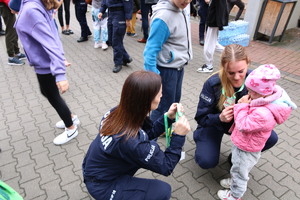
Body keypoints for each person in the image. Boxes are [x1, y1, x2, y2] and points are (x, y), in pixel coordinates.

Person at [82, 71, 190, 200]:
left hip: (96, 169)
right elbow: (166, 166)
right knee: (162, 190)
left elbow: (146, 134)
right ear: (146, 99)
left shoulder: (119, 111)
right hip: (104, 185)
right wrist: (178, 136)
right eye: (159, 92)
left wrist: (168, 117)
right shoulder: (132, 142)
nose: (162, 95)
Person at [193, 44, 279, 169]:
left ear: (248, 64)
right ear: (224, 68)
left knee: (271, 138)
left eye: (241, 71)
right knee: (207, 161)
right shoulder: (213, 84)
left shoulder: (256, 80)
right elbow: (200, 117)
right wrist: (219, 118)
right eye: (231, 73)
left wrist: (252, 105)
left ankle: (235, 158)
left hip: (242, 124)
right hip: (215, 124)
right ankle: (201, 137)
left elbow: (273, 104)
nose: (237, 77)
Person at [217, 64, 297, 200]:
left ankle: (235, 195)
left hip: (247, 147)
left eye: (253, 91)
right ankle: (233, 182)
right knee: (237, 168)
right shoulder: (263, 99)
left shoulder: (264, 113)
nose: (249, 94)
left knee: (240, 172)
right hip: (245, 143)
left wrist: (242, 105)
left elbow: (243, 125)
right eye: (248, 90)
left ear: (265, 91)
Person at [15, 0, 80, 145]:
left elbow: (50, 41)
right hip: (44, 61)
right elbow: (51, 34)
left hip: (46, 63)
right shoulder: (33, 4)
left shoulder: (32, 9)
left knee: (51, 94)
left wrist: (60, 73)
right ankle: (71, 117)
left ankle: (71, 127)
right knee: (47, 92)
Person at [143, 0, 192, 123]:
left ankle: (164, 128)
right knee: (162, 106)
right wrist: (154, 79)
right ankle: (149, 137)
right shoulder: (163, 17)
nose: (187, 1)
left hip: (178, 67)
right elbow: (150, 51)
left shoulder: (182, 8)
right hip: (166, 71)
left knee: (173, 103)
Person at [98, 0, 133, 73]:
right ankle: (126, 58)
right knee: (111, 40)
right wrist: (101, 11)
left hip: (120, 14)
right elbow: (105, 1)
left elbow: (128, 3)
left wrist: (128, 18)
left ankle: (118, 63)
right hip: (111, 14)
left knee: (116, 41)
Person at [197, 0, 228, 73]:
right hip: (213, 22)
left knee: (209, 45)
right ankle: (231, 53)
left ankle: (209, 66)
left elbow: (220, 9)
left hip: (214, 22)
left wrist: (219, 24)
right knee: (213, 43)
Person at [0, 0, 26, 65]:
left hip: (8, 4)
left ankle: (16, 52)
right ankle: (11, 57)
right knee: (10, 30)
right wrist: (11, 5)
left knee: (14, 28)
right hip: (5, 4)